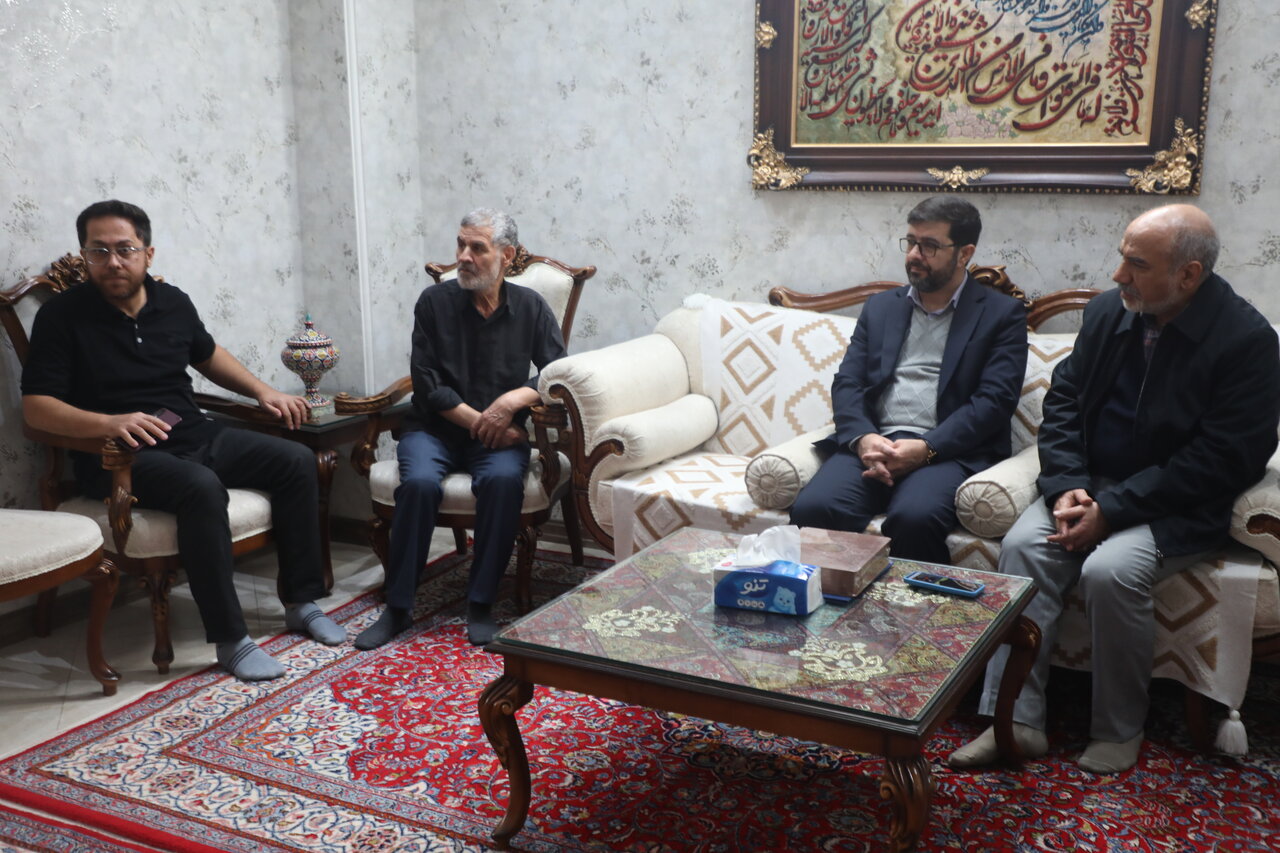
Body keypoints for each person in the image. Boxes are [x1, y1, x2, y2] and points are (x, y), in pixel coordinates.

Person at [950, 204, 1280, 774]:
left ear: (1188, 275)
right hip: (1089, 486)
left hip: (1177, 506)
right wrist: (1067, 488)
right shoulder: (1109, 313)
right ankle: (1014, 721)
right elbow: (1063, 404)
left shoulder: (1248, 341)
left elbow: (1223, 458)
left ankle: (1118, 729)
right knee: (1023, 548)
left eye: (1137, 265)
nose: (1118, 275)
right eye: (1123, 258)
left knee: (1111, 571)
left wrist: (1113, 510)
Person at [21, 200, 343, 681]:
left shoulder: (172, 302)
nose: (113, 261)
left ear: (147, 253)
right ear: (84, 255)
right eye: (99, 251)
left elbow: (208, 356)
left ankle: (301, 601)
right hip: (119, 457)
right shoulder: (62, 316)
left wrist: (264, 391)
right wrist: (109, 424)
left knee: (295, 460)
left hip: (193, 432)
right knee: (200, 486)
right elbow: (36, 408)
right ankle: (231, 640)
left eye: (125, 249)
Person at [354, 209, 567, 650]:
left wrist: (512, 401)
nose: (463, 257)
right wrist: (485, 422)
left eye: (477, 248)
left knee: (503, 482)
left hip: (498, 438)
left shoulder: (530, 308)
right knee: (418, 485)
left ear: (506, 256)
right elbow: (427, 382)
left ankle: (481, 603)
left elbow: (558, 375)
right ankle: (398, 607)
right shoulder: (433, 303)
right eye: (461, 244)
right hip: (434, 430)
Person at [789, 196, 1028, 563]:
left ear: (964, 254)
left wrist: (926, 448)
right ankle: (824, 600)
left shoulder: (1001, 314)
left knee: (915, 518)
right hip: (874, 442)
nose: (915, 255)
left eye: (929, 246)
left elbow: (993, 402)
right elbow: (848, 382)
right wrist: (864, 438)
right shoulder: (881, 306)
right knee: (814, 508)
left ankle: (911, 603)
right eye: (911, 242)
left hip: (947, 453)